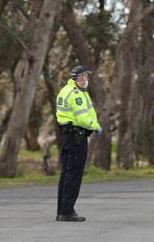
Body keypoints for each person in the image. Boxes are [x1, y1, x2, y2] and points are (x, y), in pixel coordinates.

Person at [55, 65, 102, 222]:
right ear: (78, 78)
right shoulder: (76, 94)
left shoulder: (65, 90)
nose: (86, 79)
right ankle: (67, 211)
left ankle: (62, 210)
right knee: (73, 175)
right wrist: (96, 126)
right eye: (84, 77)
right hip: (76, 138)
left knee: (66, 174)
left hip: (68, 136)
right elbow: (82, 118)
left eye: (87, 77)